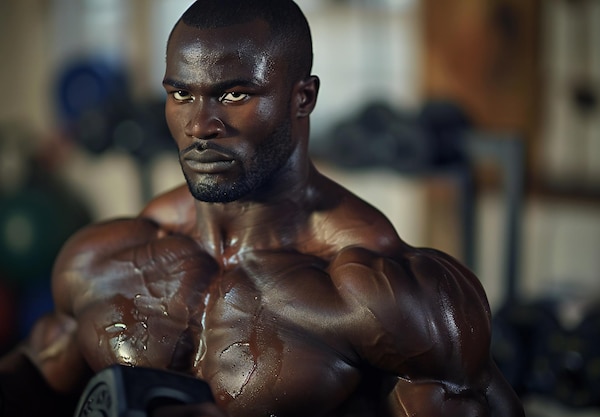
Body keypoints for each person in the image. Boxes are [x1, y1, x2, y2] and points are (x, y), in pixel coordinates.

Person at [0, 0, 525, 416]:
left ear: (303, 98)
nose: (200, 126)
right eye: (181, 94)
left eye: (233, 96)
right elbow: (39, 381)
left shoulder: (387, 294)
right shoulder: (102, 258)